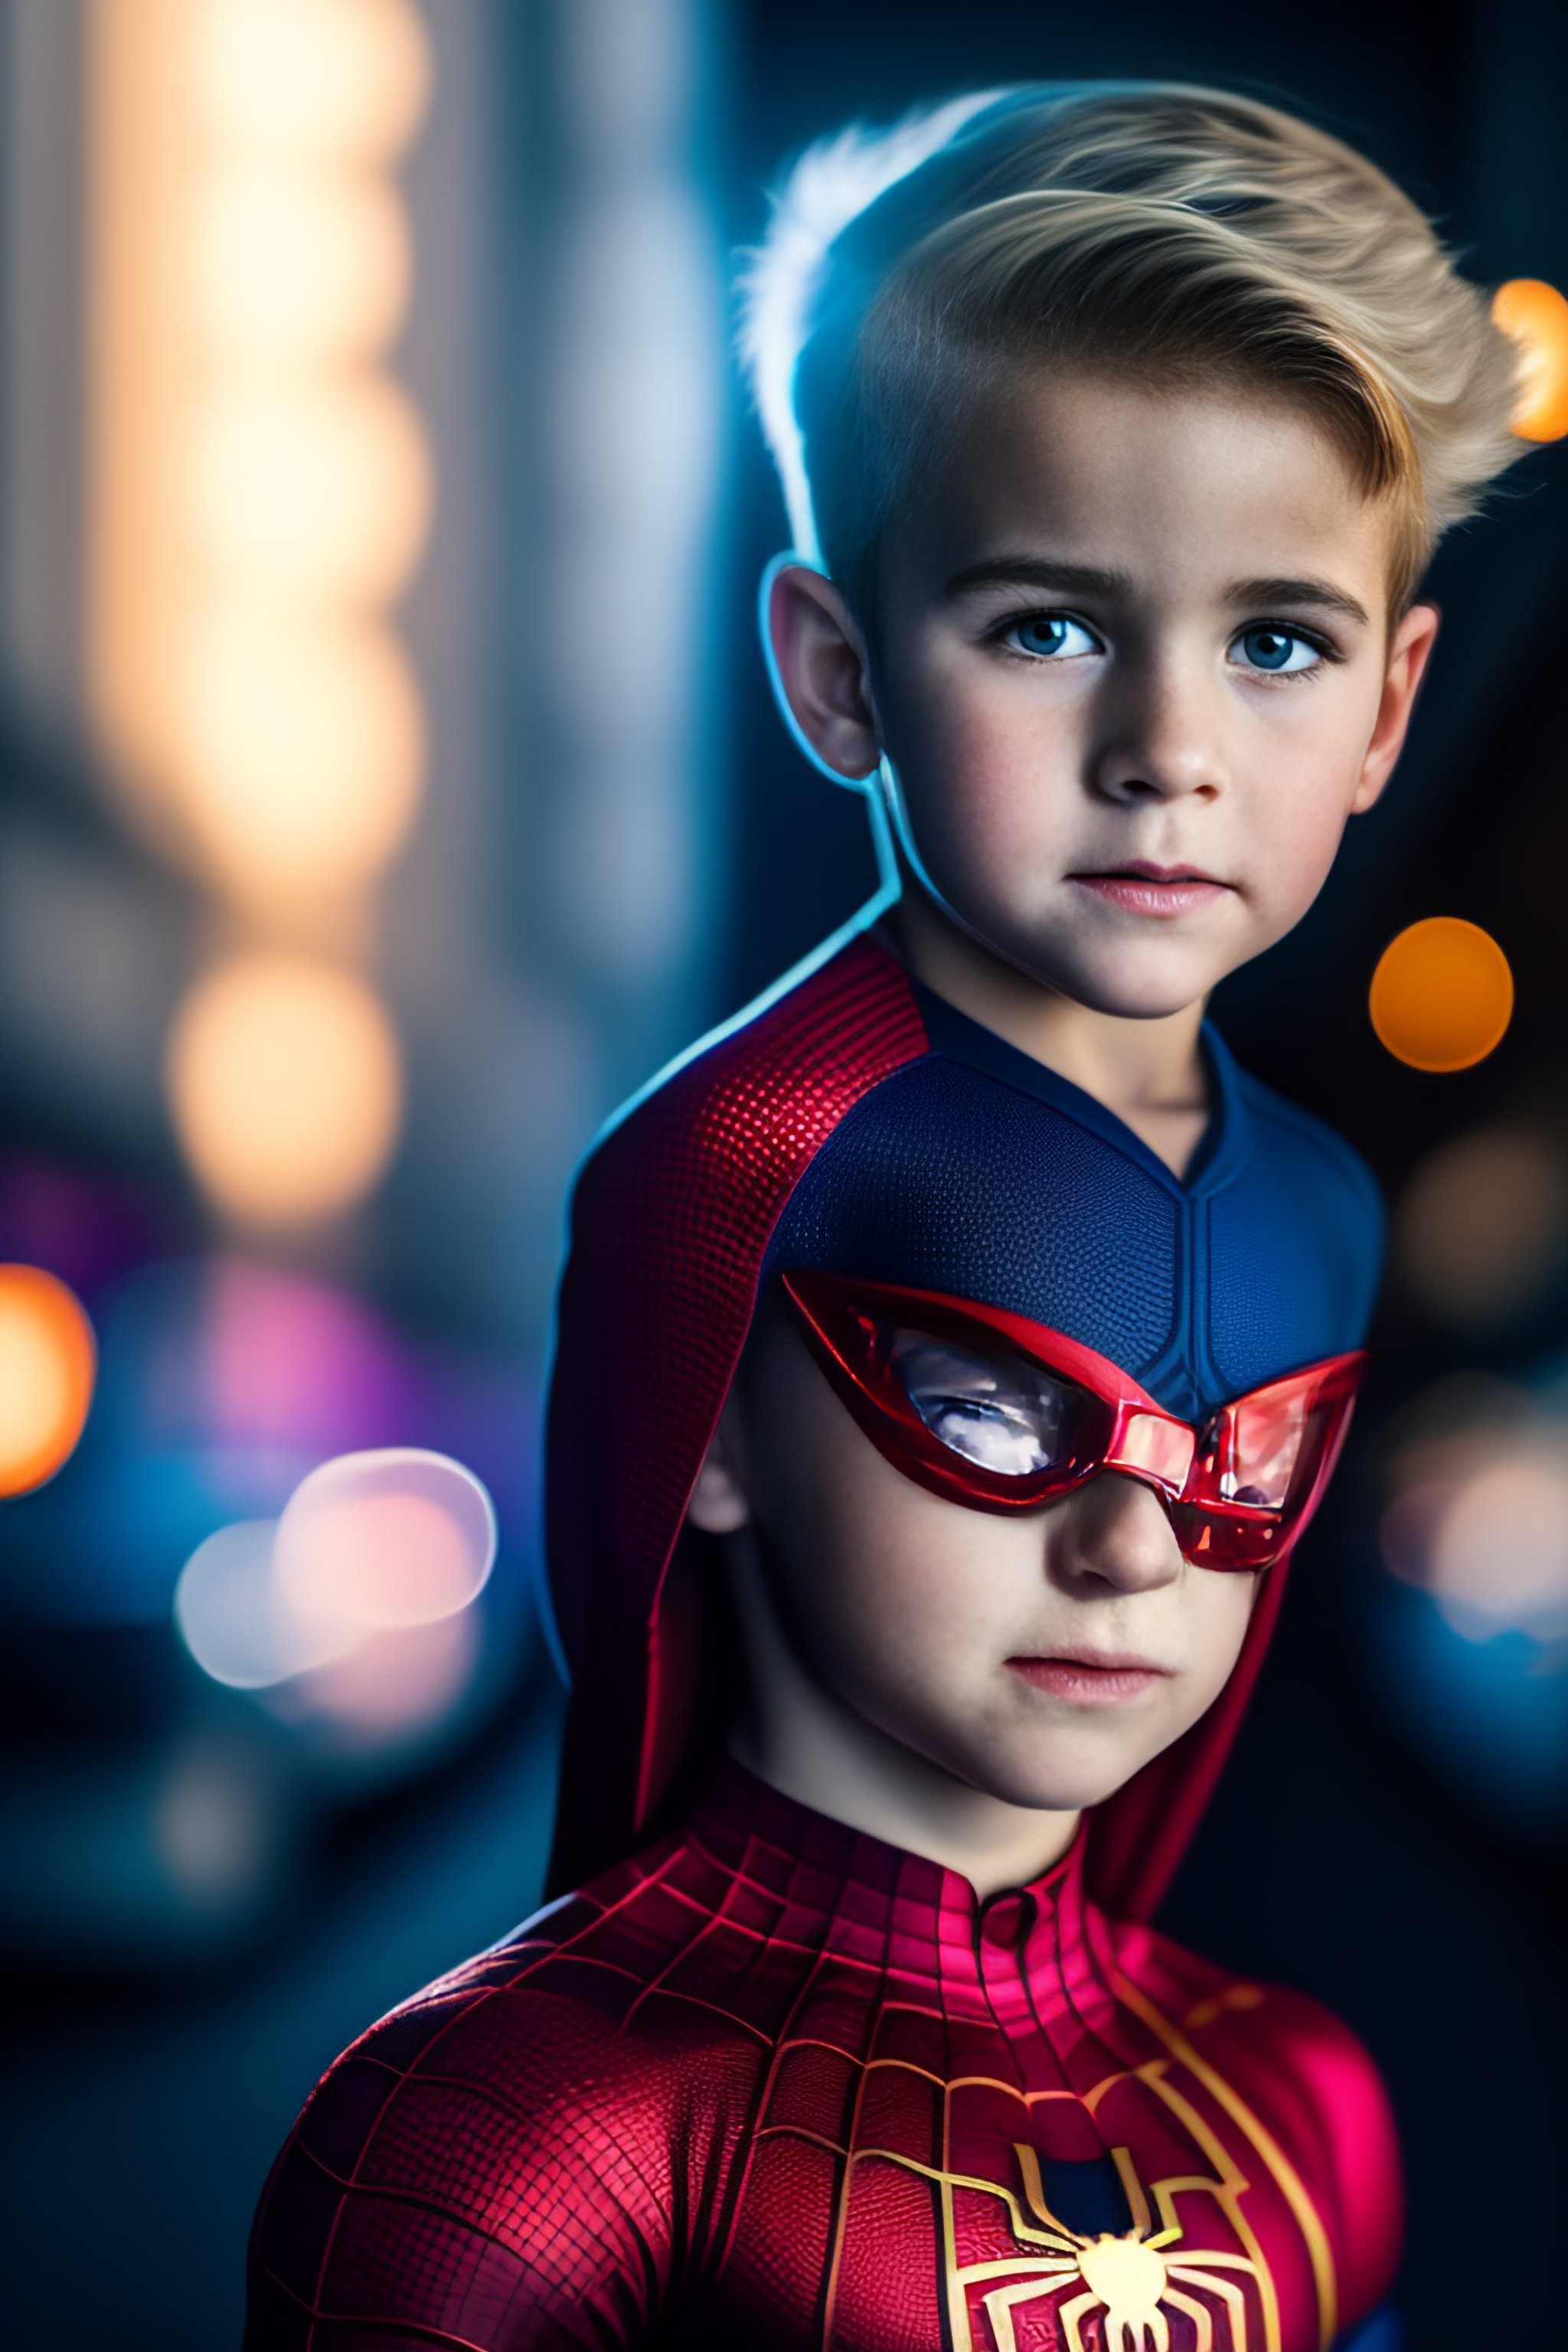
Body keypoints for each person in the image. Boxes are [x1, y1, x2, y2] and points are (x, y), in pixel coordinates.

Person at [245, 82, 1525, 2350]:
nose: (1168, 750)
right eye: (1049, 630)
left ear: (1393, 702)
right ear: (837, 668)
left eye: (1279, 642)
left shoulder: (1301, 2106)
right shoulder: (515, 2145)